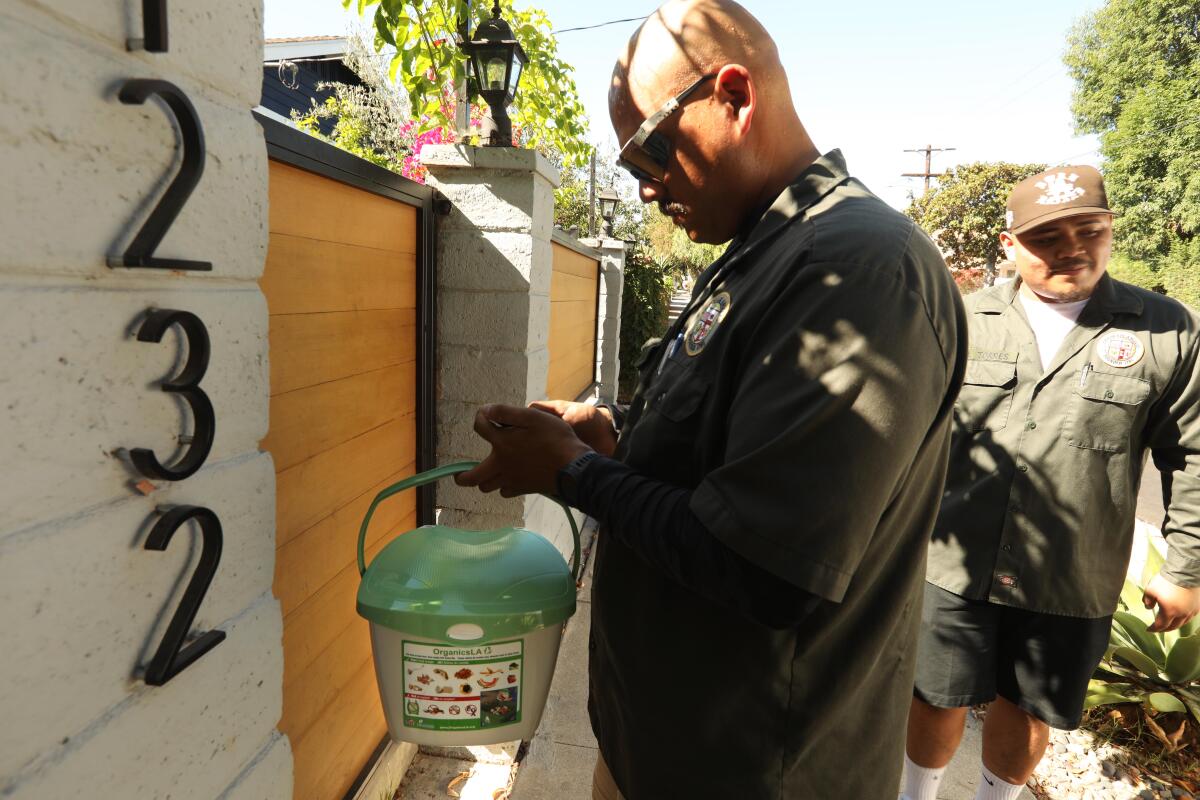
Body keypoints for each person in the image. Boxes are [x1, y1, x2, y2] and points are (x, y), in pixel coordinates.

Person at [455, 1, 966, 796]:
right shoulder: (765, 246)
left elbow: (767, 568)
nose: (647, 187)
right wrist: (611, 431)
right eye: (631, 168)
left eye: (649, 154)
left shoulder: (859, 269)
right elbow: (726, 447)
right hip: (662, 740)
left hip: (749, 768)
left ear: (733, 95)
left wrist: (569, 474)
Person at [903, 166, 1200, 800]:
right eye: (1047, 236)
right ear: (1009, 246)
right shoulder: (962, 318)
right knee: (934, 695)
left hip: (1071, 575)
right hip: (953, 561)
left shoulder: (1167, 331)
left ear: (1111, 232)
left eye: (1089, 229)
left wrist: (1185, 569)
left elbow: (1193, 456)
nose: (1071, 247)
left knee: (1029, 708)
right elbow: (906, 432)